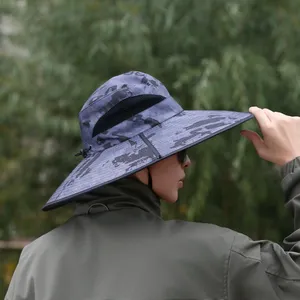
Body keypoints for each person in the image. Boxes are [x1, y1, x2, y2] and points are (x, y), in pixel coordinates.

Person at [5, 71, 300, 300]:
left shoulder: (36, 260)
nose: (187, 162)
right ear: (141, 160)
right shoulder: (212, 254)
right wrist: (295, 164)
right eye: (179, 148)